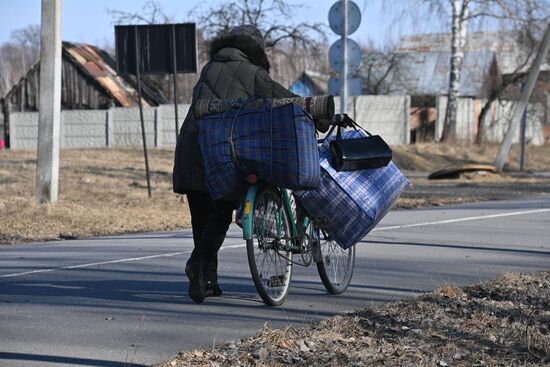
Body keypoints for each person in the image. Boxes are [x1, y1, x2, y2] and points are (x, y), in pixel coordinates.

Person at [172, 25, 296, 304]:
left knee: (202, 218)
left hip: (191, 149)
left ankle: (207, 280)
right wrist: (318, 111)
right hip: (217, 153)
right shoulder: (253, 73)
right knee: (220, 213)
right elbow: (284, 97)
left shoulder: (209, 68)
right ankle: (197, 264)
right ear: (255, 49)